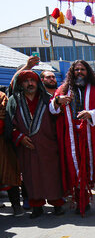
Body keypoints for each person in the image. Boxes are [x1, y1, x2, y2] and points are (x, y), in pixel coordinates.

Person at [50, 60, 95, 215]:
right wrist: (58, 101)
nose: (79, 72)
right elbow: (52, 109)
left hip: (94, 135)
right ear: (72, 72)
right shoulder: (63, 89)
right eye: (76, 70)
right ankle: (82, 202)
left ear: (88, 72)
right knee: (77, 169)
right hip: (73, 137)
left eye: (83, 69)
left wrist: (91, 114)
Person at [6, 71, 64, 218]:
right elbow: (9, 124)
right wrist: (19, 137)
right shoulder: (14, 101)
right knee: (30, 176)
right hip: (26, 145)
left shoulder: (48, 99)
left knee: (52, 174)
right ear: (20, 84)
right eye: (26, 81)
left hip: (48, 144)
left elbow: (58, 119)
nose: (30, 83)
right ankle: (36, 206)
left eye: (33, 80)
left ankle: (57, 203)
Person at [0, 90, 24, 216]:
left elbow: (4, 118)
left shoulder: (2, 97)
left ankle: (16, 205)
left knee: (9, 175)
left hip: (3, 145)